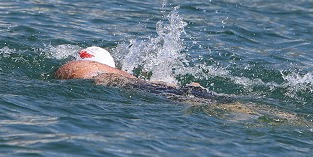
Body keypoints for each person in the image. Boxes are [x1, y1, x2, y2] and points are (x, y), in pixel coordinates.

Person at [53, 46, 233, 102]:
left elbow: (73, 71)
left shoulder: (82, 68)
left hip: (154, 91)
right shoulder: (109, 73)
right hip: (158, 89)